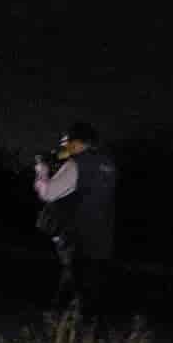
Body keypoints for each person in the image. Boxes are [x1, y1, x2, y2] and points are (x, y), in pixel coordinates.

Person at [34, 121, 117, 311]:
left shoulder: (76, 164)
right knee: (89, 296)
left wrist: (42, 172)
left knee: (68, 298)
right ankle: (85, 334)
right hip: (102, 241)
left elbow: (48, 193)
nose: (64, 147)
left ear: (78, 143)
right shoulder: (108, 164)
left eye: (66, 142)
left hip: (77, 241)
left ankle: (61, 331)